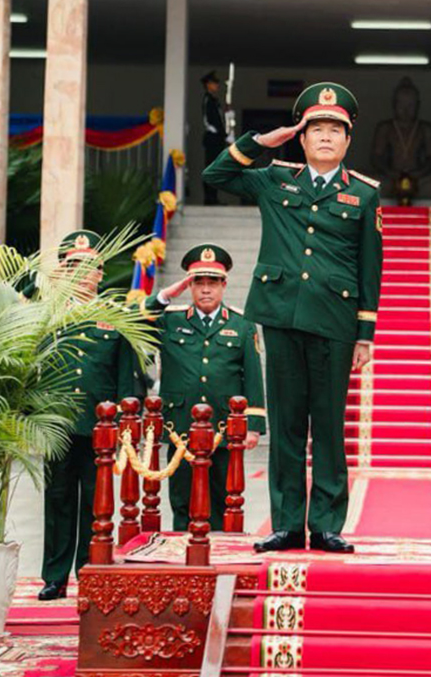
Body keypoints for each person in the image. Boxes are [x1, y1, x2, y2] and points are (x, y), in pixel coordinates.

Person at [203, 82, 383, 554]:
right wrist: (263, 141)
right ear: (300, 139)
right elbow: (217, 173)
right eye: (315, 129)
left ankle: (325, 525)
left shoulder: (363, 194)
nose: (325, 136)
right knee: (285, 426)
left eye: (335, 130)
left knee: (327, 426)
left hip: (335, 321)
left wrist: (365, 333)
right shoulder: (275, 179)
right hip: (281, 315)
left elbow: (370, 266)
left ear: (348, 140)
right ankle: (285, 524)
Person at [39, 230, 144, 600]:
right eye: (74, 267)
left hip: (100, 427)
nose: (83, 274)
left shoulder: (116, 317)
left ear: (101, 273)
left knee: (95, 503)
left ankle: (89, 570)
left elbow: (126, 376)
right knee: (58, 499)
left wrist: (126, 425)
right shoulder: (48, 314)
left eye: (90, 267)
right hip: (57, 424)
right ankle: (54, 577)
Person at [146, 244, 266, 531]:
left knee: (223, 497)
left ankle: (220, 548)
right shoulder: (170, 319)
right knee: (182, 498)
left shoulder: (242, 324)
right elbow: (135, 320)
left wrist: (253, 425)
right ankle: (181, 548)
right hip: (180, 426)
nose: (206, 289)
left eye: (213, 282)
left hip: (222, 426)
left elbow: (252, 376)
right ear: (189, 287)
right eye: (198, 283)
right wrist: (165, 296)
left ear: (224, 285)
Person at [370, 77, 431, 203]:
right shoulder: (385, 128)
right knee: (361, 179)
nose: (406, 110)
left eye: (410, 105)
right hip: (390, 178)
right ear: (394, 105)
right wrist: (390, 173)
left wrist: (418, 173)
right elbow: (376, 158)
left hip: (419, 178)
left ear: (418, 105)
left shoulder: (425, 129)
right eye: (401, 105)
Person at [201, 70, 225, 205]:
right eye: (214, 83)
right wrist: (222, 134)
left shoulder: (214, 100)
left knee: (217, 168)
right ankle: (209, 198)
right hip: (212, 139)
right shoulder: (207, 100)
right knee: (211, 168)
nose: (217, 85)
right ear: (208, 85)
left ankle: (213, 197)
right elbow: (210, 122)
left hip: (218, 139)